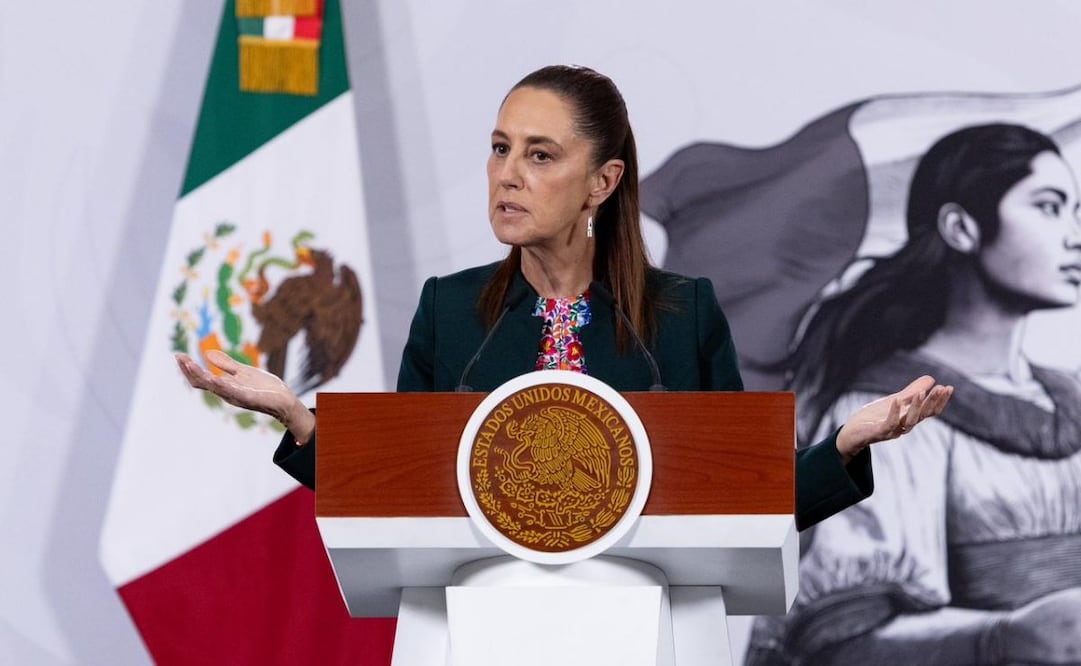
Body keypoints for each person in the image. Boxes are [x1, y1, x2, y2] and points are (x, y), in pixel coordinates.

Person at [176, 64, 951, 532]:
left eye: (539, 155)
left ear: (602, 182)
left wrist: (845, 444)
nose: (506, 173)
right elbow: (397, 490)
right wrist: (298, 418)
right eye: (499, 147)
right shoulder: (449, 310)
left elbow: (747, 498)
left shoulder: (681, 315)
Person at [745, 124, 1081, 664]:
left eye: (1076, 211)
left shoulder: (1072, 394)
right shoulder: (891, 414)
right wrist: (1005, 637)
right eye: (1048, 207)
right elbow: (840, 639)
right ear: (961, 227)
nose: (1074, 234)